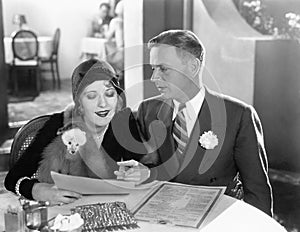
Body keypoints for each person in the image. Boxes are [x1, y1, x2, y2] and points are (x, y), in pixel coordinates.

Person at [136, 29, 273, 216]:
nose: (154, 78)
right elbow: (145, 171)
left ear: (193, 67)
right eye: (153, 68)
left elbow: (257, 192)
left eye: (164, 69)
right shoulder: (148, 110)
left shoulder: (238, 116)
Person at [4, 59, 148, 205]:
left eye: (109, 94)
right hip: (65, 215)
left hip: (111, 210)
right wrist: (39, 190)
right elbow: (12, 179)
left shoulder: (123, 122)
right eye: (91, 96)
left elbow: (147, 166)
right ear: (79, 102)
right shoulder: (58, 125)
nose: (103, 104)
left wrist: (144, 172)